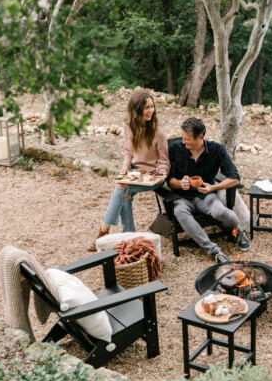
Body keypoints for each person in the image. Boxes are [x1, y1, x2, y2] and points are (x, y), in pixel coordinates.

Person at [88, 90, 169, 252]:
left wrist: (162, 173)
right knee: (124, 194)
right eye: (146, 108)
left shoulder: (158, 130)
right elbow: (128, 153)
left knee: (121, 187)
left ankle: (103, 231)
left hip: (153, 177)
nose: (151, 111)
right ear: (137, 110)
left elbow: (164, 159)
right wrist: (124, 169)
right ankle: (128, 236)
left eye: (152, 107)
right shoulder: (128, 126)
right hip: (135, 174)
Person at [167, 117, 251, 263]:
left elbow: (235, 178)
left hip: (206, 196)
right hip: (182, 198)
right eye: (182, 138)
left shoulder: (216, 150)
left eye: (187, 139)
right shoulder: (175, 149)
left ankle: (240, 231)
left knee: (222, 212)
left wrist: (214, 187)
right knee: (179, 212)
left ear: (200, 136)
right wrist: (181, 183)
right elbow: (170, 180)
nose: (183, 142)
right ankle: (214, 251)